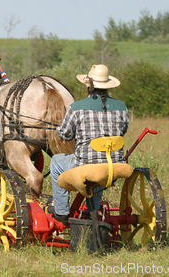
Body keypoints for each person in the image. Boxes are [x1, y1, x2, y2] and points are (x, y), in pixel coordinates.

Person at [49, 64, 129, 226]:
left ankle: (61, 212)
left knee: (56, 162)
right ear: (107, 86)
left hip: (85, 165)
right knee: (102, 165)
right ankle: (93, 209)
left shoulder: (76, 108)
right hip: (114, 164)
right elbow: (124, 129)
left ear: (88, 86)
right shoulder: (121, 107)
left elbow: (64, 134)